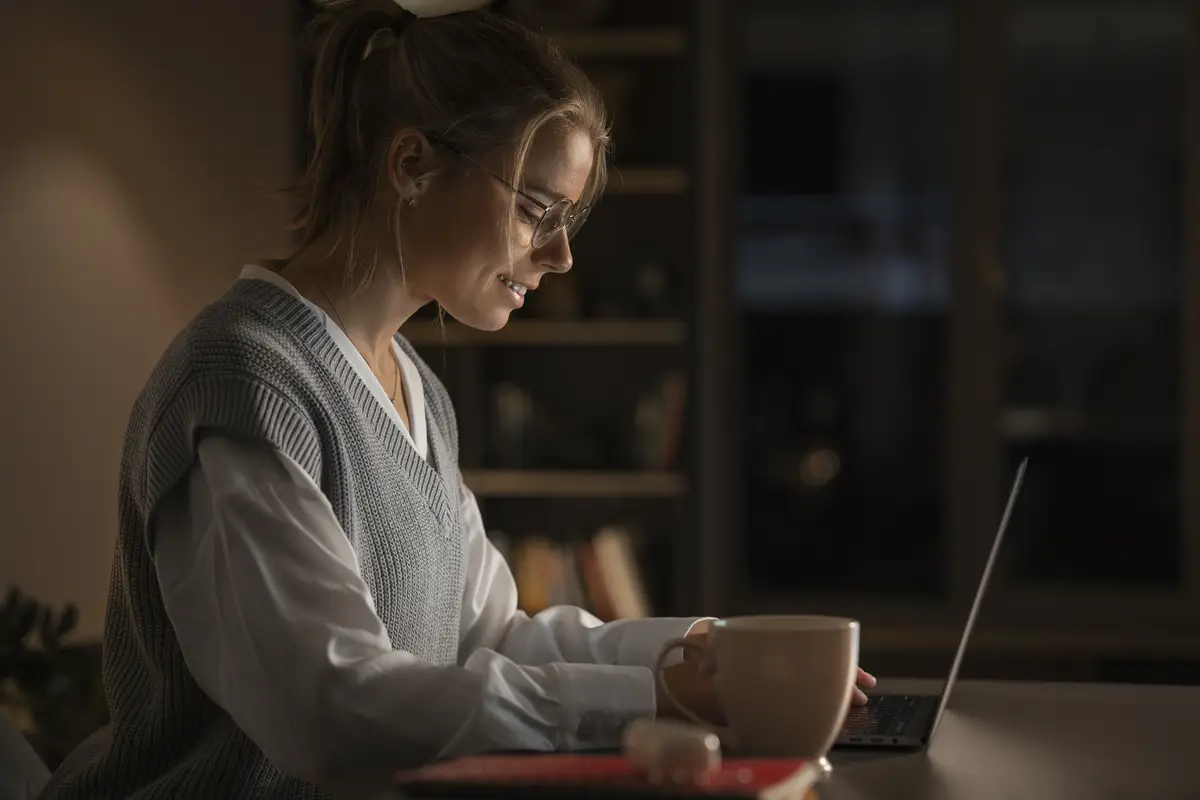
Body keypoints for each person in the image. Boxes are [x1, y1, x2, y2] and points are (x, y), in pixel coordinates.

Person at [40, 1, 874, 797]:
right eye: (536, 209)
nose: (558, 258)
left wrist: (704, 654)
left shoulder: (418, 393)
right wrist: (658, 703)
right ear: (412, 164)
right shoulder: (242, 383)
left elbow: (492, 635)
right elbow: (330, 710)